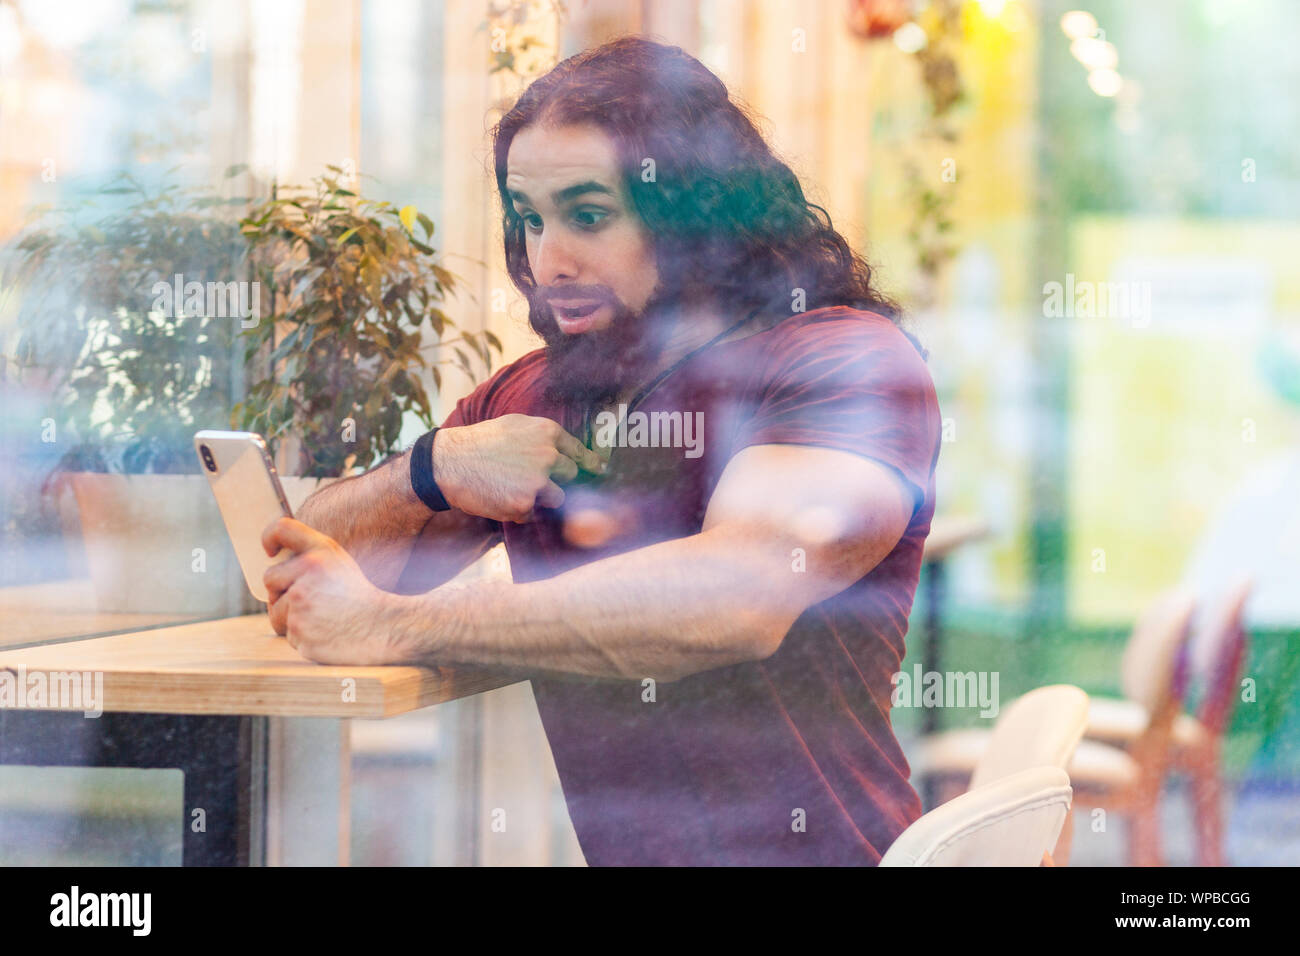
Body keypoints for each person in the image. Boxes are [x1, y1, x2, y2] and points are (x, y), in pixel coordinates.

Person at [260, 36, 942, 865]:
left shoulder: (842, 360)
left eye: (588, 216)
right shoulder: (529, 394)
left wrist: (398, 627)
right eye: (528, 219)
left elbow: (736, 599)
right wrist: (432, 471)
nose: (549, 261)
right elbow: (298, 577)